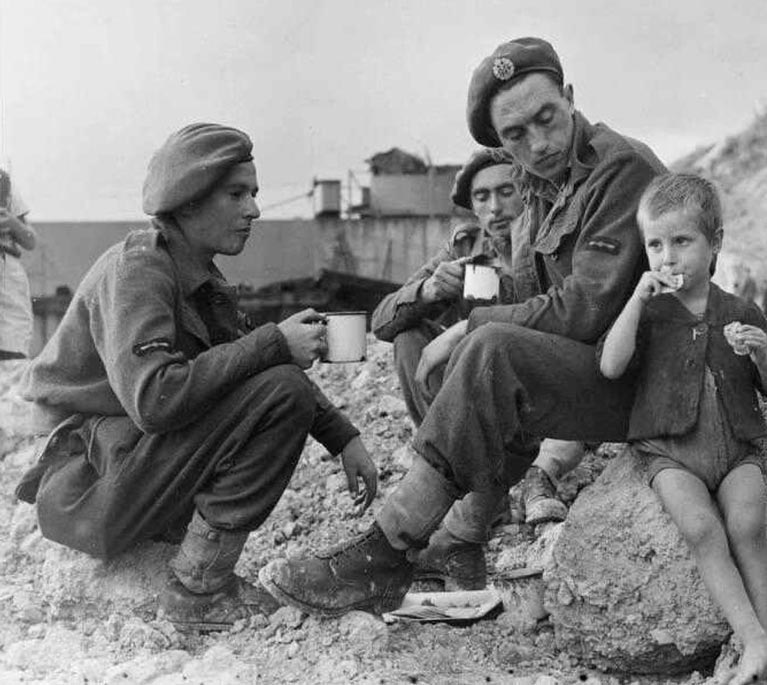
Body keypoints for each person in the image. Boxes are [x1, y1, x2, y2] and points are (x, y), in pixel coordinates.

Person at [259, 36, 667, 616]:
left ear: (571, 99)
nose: (537, 144)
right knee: (489, 351)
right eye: (515, 136)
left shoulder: (617, 169)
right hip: (603, 374)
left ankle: (386, 551)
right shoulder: (543, 187)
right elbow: (532, 300)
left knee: (494, 347)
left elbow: (579, 310)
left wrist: (470, 325)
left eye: (546, 119)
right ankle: (454, 537)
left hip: (649, 385)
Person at [15, 123, 378, 632]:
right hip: (88, 489)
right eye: (236, 194)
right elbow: (156, 400)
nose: (253, 210)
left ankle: (196, 574)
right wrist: (275, 342)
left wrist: (343, 437)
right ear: (186, 204)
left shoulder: (197, 275)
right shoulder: (139, 271)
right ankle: (197, 589)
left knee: (274, 383)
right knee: (282, 391)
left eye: (253, 194)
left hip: (127, 471)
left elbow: (251, 365)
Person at [598, 173, 767, 685]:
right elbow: (611, 367)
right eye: (655, 245)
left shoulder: (741, 311)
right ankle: (753, 642)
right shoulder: (651, 309)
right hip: (669, 452)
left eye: (682, 241)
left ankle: (763, 648)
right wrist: (635, 301)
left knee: (748, 527)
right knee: (702, 529)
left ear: (715, 244)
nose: (667, 257)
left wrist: (761, 354)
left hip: (736, 450)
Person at [371, 148, 587, 589]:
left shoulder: (555, 244)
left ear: (527, 192)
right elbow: (380, 322)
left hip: (546, 396)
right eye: (482, 197)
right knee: (410, 338)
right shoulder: (467, 248)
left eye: (506, 191)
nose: (495, 207)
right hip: (477, 407)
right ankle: (464, 481)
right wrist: (429, 290)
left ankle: (522, 483)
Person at [0, 168, 37, 360]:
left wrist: (13, 223)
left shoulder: (3, 182)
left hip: (7, 270)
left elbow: (31, 241)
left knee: (13, 347)